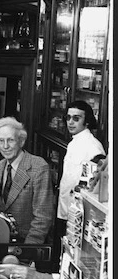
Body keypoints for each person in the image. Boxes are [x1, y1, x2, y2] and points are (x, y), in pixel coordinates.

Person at [0, 117, 54, 244]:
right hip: (1, 240)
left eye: (11, 140)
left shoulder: (38, 167)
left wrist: (27, 251)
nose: (5, 146)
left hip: (26, 243)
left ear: (21, 141)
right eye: (1, 141)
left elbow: (43, 218)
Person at [56, 100, 106, 239]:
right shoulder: (74, 142)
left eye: (76, 118)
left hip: (79, 214)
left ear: (87, 121)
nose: (70, 122)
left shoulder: (93, 147)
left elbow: (93, 187)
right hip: (66, 208)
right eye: (68, 117)